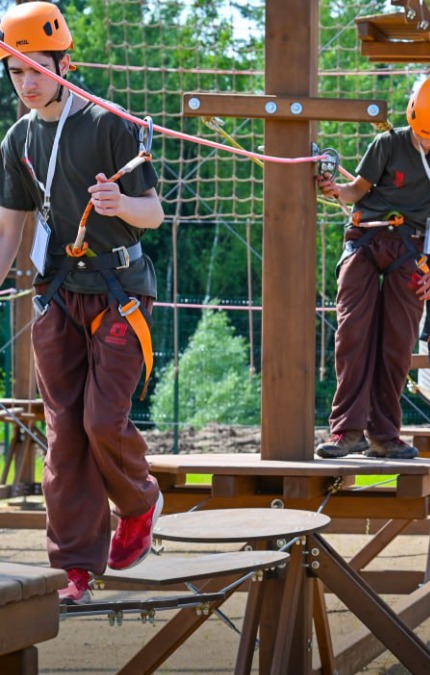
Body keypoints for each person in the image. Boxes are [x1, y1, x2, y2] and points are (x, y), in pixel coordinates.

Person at [0, 2, 165, 604]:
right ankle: (75, 567)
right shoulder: (18, 139)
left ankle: (140, 501)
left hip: (120, 293)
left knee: (101, 421)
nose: (26, 83)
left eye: (36, 70)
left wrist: (121, 205)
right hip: (58, 295)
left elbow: (154, 212)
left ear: (64, 64)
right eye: (15, 73)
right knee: (65, 434)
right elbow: (8, 229)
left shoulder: (106, 123)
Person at [315, 74, 430, 460]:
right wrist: (337, 192)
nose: (423, 140)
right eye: (419, 132)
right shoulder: (388, 143)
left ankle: (384, 434)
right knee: (353, 333)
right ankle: (346, 430)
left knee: (397, 345)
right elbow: (358, 189)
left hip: (414, 250)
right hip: (367, 238)